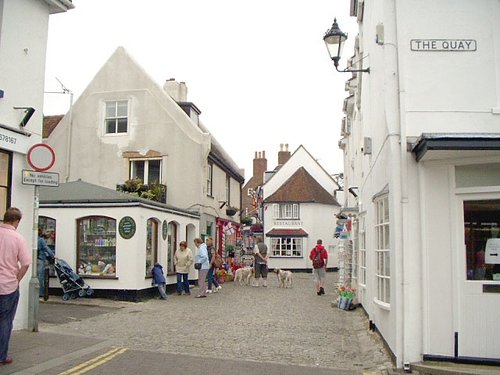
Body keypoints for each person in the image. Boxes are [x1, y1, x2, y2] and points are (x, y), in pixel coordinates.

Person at [0, 207, 32, 365]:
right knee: (5, 321)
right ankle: (2, 356)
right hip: (8, 286)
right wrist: (17, 279)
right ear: (16, 221)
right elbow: (26, 263)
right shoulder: (18, 238)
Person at [37, 228, 54, 298]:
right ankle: (41, 293)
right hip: (40, 259)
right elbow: (46, 248)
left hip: (34, 260)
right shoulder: (41, 240)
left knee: (36, 276)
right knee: (40, 276)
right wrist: (53, 256)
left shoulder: (32, 238)